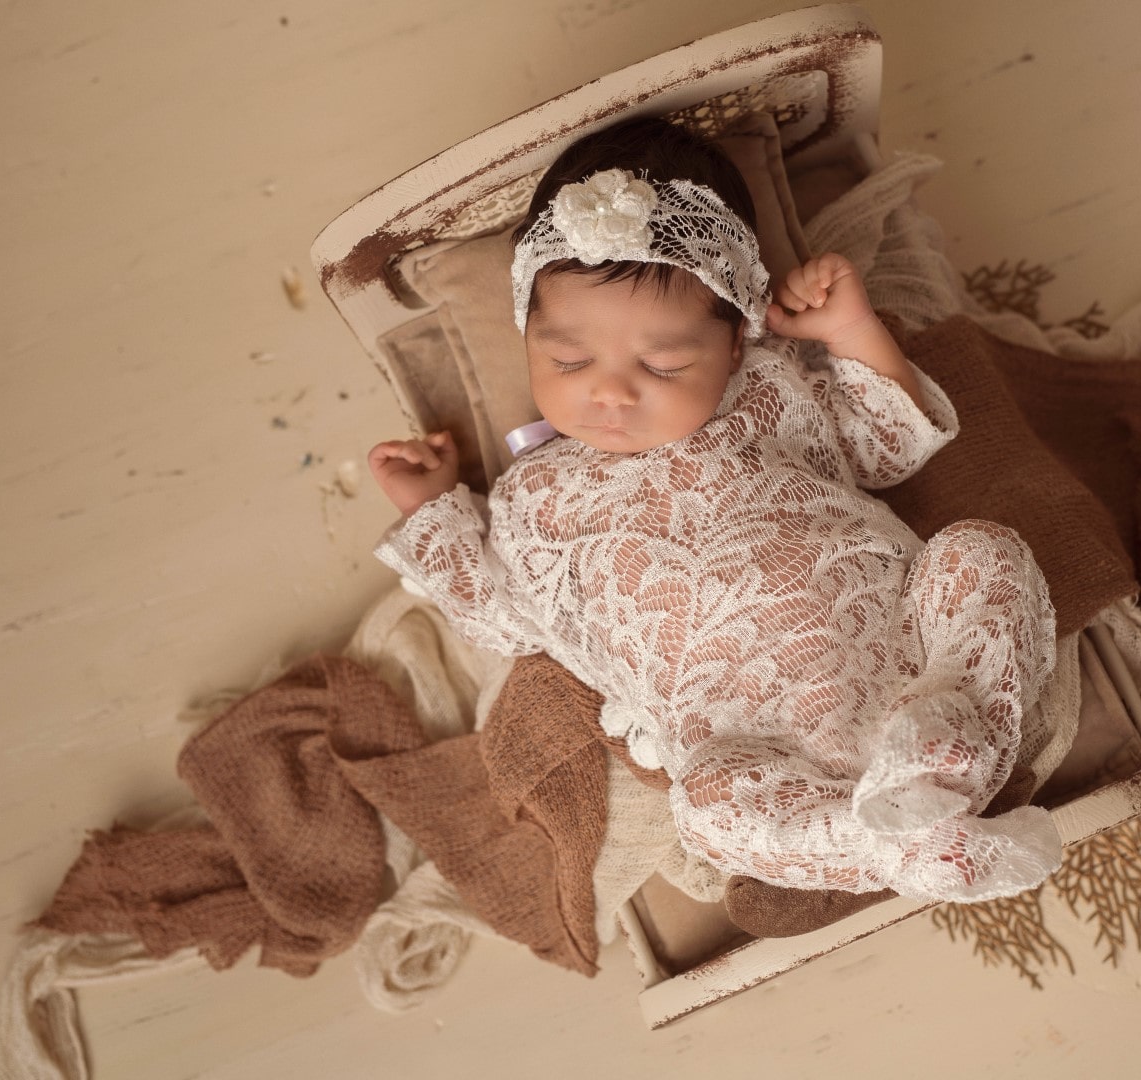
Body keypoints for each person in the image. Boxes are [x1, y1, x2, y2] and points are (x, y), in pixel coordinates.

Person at [367, 117, 1060, 902]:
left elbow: (889, 441)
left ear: (734, 345)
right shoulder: (536, 496)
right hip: (746, 737)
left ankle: (950, 754)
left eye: (663, 364)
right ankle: (884, 844)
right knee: (706, 802)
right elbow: (500, 614)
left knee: (982, 553)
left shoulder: (770, 392)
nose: (609, 391)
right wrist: (431, 511)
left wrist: (851, 330)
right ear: (528, 336)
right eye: (568, 359)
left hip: (908, 659)